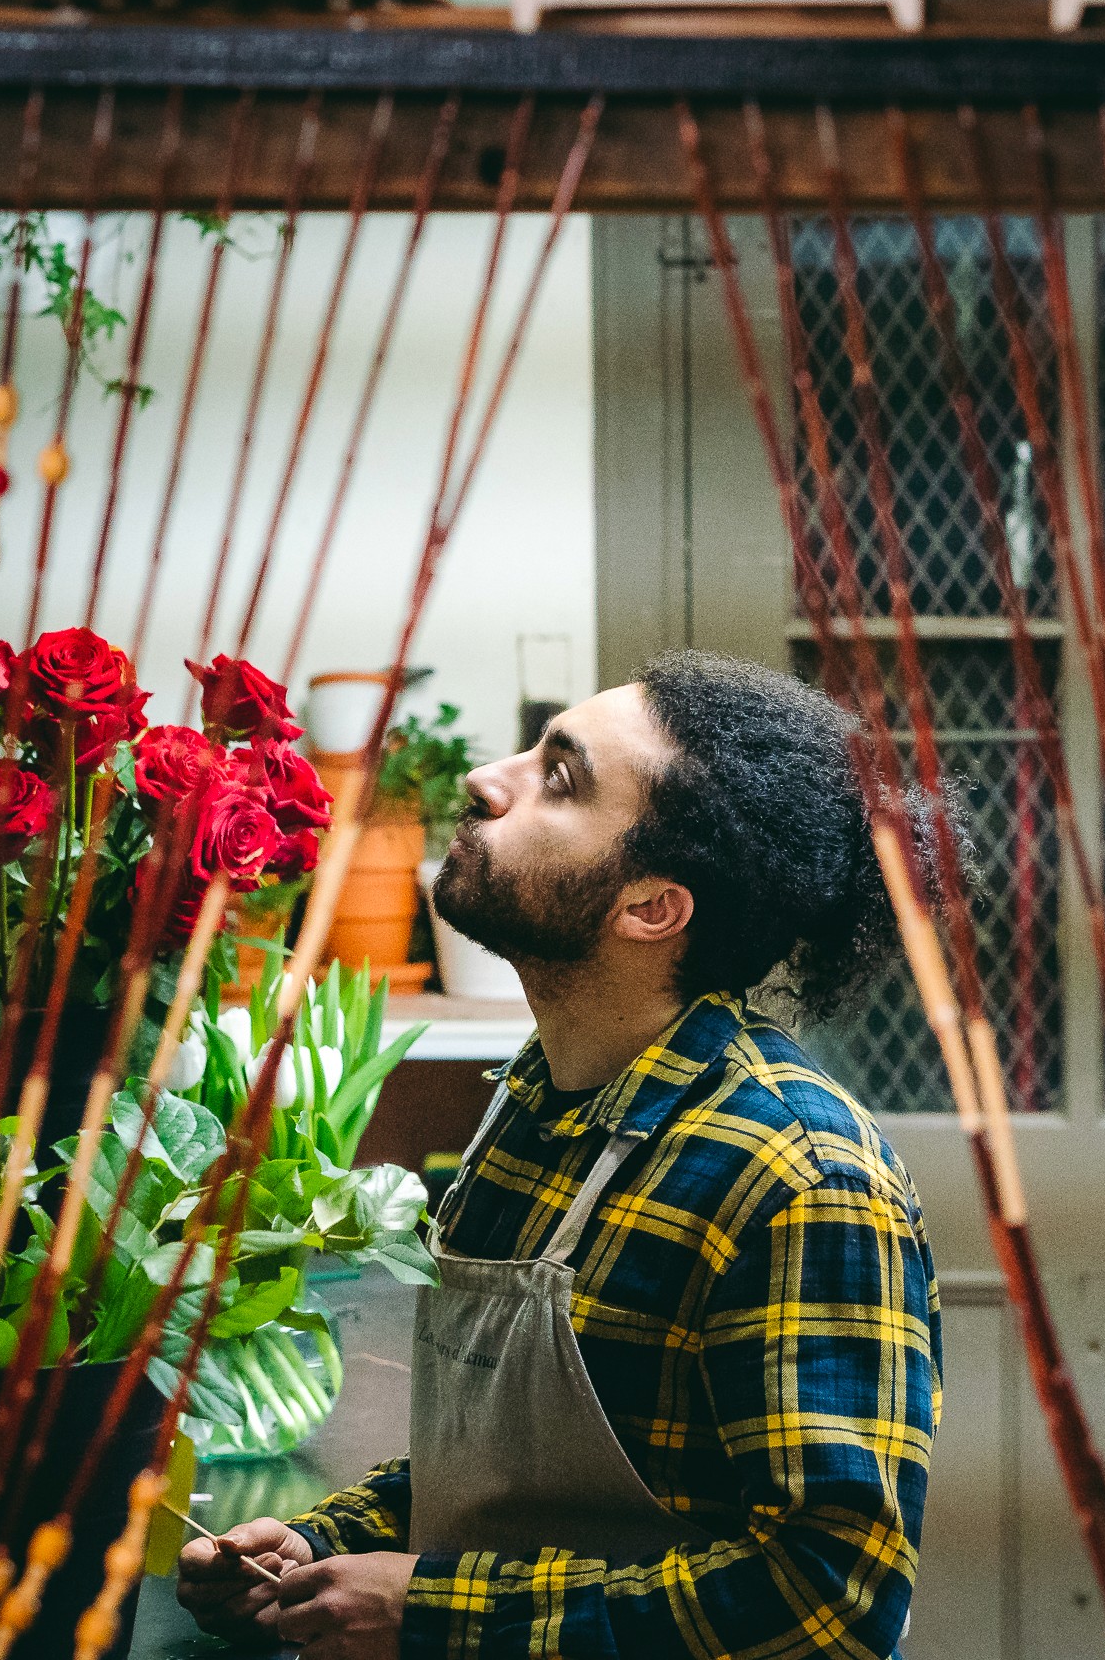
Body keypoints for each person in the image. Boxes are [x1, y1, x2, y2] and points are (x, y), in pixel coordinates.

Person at [177, 650, 940, 1660]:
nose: (490, 778)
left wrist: (433, 1612)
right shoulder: (529, 1104)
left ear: (650, 907)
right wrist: (326, 1544)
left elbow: (829, 1602)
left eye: (560, 776)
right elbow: (504, 1473)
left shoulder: (798, 1175)